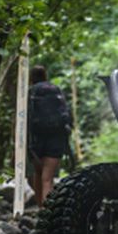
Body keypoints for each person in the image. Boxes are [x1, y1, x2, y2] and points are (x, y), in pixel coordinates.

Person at [28, 65, 71, 206]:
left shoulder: (30, 92)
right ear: (45, 75)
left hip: (36, 138)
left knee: (37, 173)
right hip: (56, 138)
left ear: (31, 78)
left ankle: (41, 208)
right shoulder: (56, 90)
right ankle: (46, 214)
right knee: (47, 179)